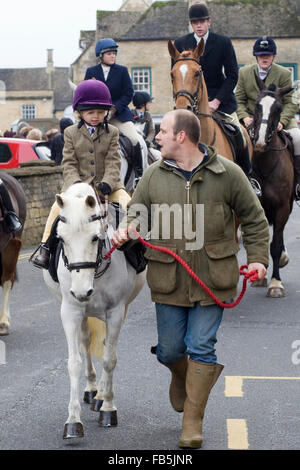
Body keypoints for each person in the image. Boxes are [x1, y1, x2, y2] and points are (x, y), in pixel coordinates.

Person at [111, 109, 269, 449]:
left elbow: (255, 220)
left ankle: (192, 421)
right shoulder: (153, 176)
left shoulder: (229, 174)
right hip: (168, 279)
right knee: (170, 351)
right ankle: (181, 375)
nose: (158, 137)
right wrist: (128, 228)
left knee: (202, 347)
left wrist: (258, 260)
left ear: (182, 136)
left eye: (164, 131)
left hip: (214, 278)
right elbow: (137, 213)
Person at [32, 79, 130, 270]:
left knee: (130, 204)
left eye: (101, 112)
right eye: (91, 112)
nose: (96, 116)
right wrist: (77, 185)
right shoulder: (70, 133)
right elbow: (68, 162)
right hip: (77, 188)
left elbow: (113, 161)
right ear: (80, 112)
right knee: (54, 209)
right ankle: (45, 248)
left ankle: (138, 248)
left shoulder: (113, 132)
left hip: (108, 187)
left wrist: (108, 183)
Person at [173, 2, 259, 190]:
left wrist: (216, 101)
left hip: (221, 102)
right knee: (168, 137)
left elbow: (233, 75)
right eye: (195, 22)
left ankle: (248, 180)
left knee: (240, 134)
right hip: (188, 104)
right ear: (191, 24)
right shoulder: (180, 44)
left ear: (209, 22)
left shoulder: (223, 42)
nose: (199, 25)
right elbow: (176, 77)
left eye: (202, 21)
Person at [235, 36, 300, 200]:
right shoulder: (244, 72)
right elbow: (238, 100)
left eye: (268, 55)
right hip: (252, 119)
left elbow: (291, 102)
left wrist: (282, 121)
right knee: (234, 138)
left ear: (273, 56)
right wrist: (244, 117)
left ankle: (298, 183)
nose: (264, 58)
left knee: (298, 138)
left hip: (277, 117)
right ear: (256, 56)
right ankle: (235, 181)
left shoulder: (284, 73)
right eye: (261, 54)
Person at [84, 38, 144, 182]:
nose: (113, 56)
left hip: (119, 115)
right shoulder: (91, 72)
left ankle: (139, 174)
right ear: (100, 56)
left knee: (135, 140)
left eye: (114, 53)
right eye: (109, 53)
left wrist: (114, 109)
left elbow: (129, 93)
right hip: (97, 117)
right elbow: (86, 93)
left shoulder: (122, 71)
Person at [131, 91, 161, 161]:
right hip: (135, 145)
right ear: (143, 104)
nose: (150, 104)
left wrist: (147, 141)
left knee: (159, 156)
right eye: (149, 102)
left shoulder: (148, 116)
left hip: (147, 146)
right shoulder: (131, 114)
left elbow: (152, 131)